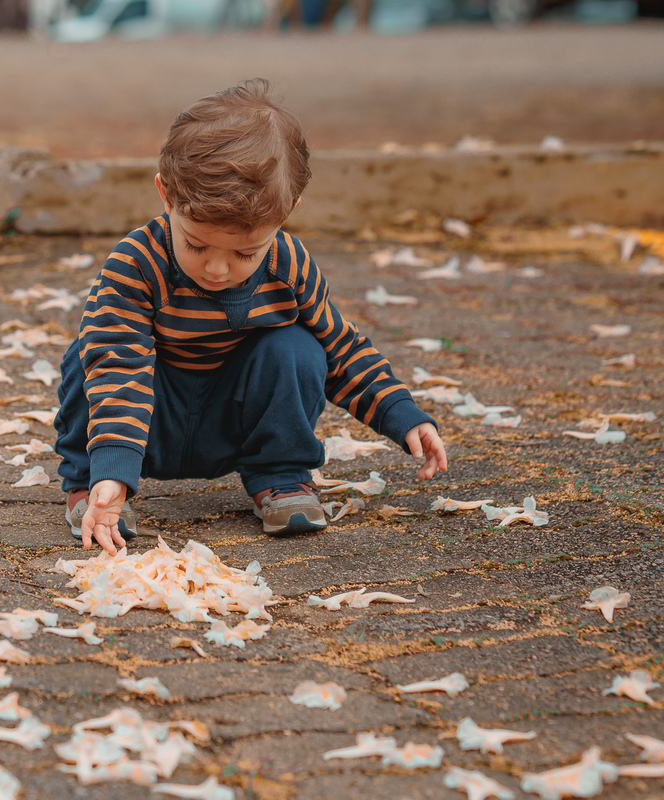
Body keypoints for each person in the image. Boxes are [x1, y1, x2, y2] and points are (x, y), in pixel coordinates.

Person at [53, 78, 448, 556]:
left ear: (287, 213)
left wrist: (399, 414)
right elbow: (120, 368)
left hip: (232, 420)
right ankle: (91, 486)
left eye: (245, 252)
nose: (217, 268)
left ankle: (279, 477)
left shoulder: (289, 266)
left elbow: (340, 348)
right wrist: (114, 470)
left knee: (299, 348)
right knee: (88, 356)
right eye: (196, 244)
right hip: (149, 415)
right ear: (165, 195)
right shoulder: (136, 264)